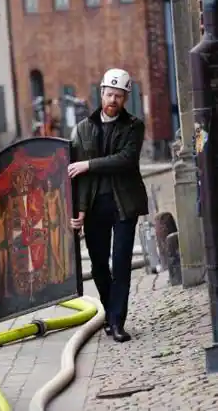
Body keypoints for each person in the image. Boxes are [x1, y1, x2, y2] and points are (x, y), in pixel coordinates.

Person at [68, 68, 148, 343]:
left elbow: (125, 159)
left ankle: (117, 322)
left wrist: (88, 165)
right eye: (109, 94)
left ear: (125, 98)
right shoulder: (83, 129)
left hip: (123, 203)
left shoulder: (134, 126)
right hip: (93, 207)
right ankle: (109, 312)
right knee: (100, 264)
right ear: (101, 94)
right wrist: (77, 211)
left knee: (122, 263)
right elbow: (74, 178)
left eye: (119, 95)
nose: (113, 99)